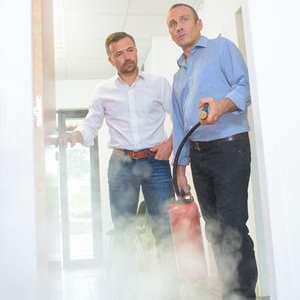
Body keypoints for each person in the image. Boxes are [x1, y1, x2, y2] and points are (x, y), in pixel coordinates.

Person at [59, 32, 179, 299]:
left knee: (163, 227)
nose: (127, 57)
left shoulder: (159, 84)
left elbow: (179, 118)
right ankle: (128, 291)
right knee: (123, 230)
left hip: (156, 162)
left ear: (136, 51)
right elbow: (91, 123)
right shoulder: (103, 91)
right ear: (111, 60)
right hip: (121, 165)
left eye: (130, 50)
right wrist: (75, 136)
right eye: (120, 53)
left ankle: (170, 290)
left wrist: (170, 144)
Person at [167, 4, 258, 300]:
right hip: (199, 156)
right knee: (215, 230)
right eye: (172, 24)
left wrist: (221, 106)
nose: (178, 26)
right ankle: (229, 292)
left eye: (183, 20)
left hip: (230, 148)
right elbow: (180, 126)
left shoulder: (222, 48)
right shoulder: (178, 76)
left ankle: (243, 294)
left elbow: (245, 88)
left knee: (232, 227)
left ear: (198, 23)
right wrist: (180, 169)